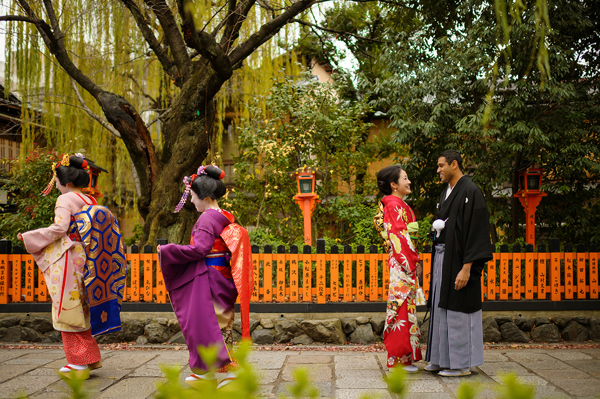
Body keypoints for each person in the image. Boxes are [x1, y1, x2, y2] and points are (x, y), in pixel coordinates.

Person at [18, 154, 126, 379]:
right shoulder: (90, 200)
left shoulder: (65, 200)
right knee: (82, 307)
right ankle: (89, 358)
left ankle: (78, 364)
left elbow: (60, 228)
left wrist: (30, 237)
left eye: (56, 180)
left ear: (65, 182)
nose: (55, 184)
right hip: (87, 256)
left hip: (69, 257)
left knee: (67, 308)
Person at [158, 165, 253, 390]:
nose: (191, 201)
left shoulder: (206, 219)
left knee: (210, 326)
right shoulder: (225, 215)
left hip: (210, 278)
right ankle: (206, 371)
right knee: (218, 324)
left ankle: (232, 373)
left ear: (206, 196)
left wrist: (169, 250)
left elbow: (200, 249)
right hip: (222, 276)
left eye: (192, 196)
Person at [425, 150, 493, 377]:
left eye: (441, 165)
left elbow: (477, 233)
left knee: (457, 308)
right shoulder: (446, 193)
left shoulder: (471, 191)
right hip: (443, 258)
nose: (438, 170)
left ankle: (461, 364)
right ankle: (440, 358)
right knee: (440, 306)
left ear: (454, 164)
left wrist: (467, 267)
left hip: (461, 260)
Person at [374, 165, 423, 372]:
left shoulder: (397, 204)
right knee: (401, 307)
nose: (409, 181)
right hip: (402, 261)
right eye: (405, 178)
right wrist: (413, 262)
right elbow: (399, 236)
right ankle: (398, 358)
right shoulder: (394, 205)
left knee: (405, 307)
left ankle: (404, 358)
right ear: (394, 185)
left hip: (402, 260)